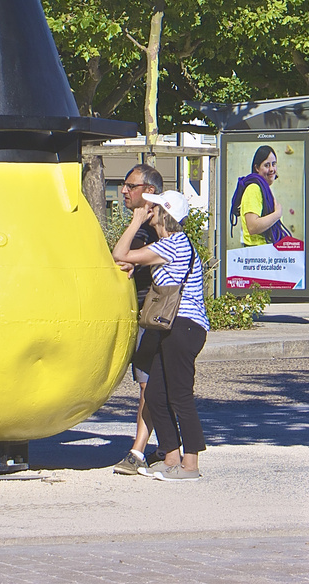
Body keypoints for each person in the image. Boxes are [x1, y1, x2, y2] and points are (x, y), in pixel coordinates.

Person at [114, 188, 207, 481]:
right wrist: (133, 262)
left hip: (184, 325)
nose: (148, 210)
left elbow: (119, 253)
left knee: (179, 396)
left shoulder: (172, 245)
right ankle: (170, 456)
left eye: (154, 208)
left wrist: (135, 222)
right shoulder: (170, 245)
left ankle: (189, 465)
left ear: (165, 215)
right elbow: (133, 260)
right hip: (173, 326)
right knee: (155, 393)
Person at [109, 164, 164, 476]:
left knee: (148, 386)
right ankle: (165, 447)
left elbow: (120, 256)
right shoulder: (149, 227)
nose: (124, 191)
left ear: (150, 192)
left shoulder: (154, 229)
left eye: (131, 185)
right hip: (145, 317)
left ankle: (138, 451)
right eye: (124, 184)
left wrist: (135, 222)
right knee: (153, 386)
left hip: (154, 318)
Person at [231, 145, 293, 247]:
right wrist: (277, 214)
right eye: (267, 165)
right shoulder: (253, 189)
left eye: (274, 164)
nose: (272, 169)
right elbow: (253, 226)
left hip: (265, 252)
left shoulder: (264, 189)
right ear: (257, 168)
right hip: (257, 254)